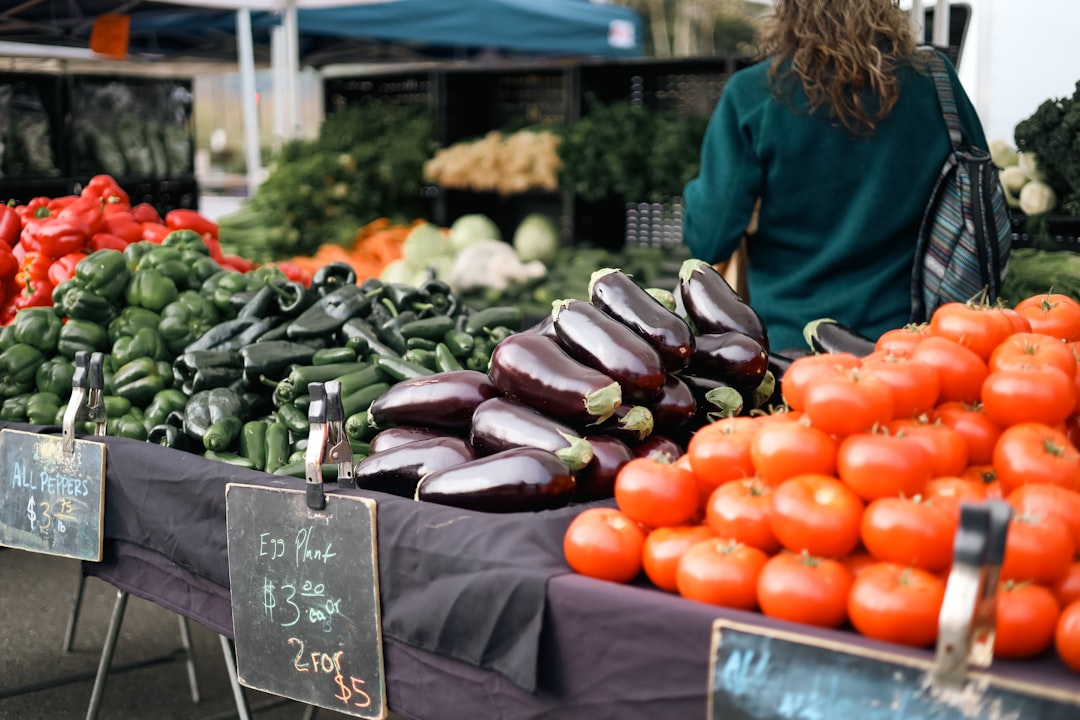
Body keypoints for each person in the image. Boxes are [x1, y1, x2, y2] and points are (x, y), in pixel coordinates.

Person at [682, 0, 989, 352]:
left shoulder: (753, 93)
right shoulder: (935, 81)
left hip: (791, 348)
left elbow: (709, 240)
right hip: (909, 345)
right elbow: (980, 202)